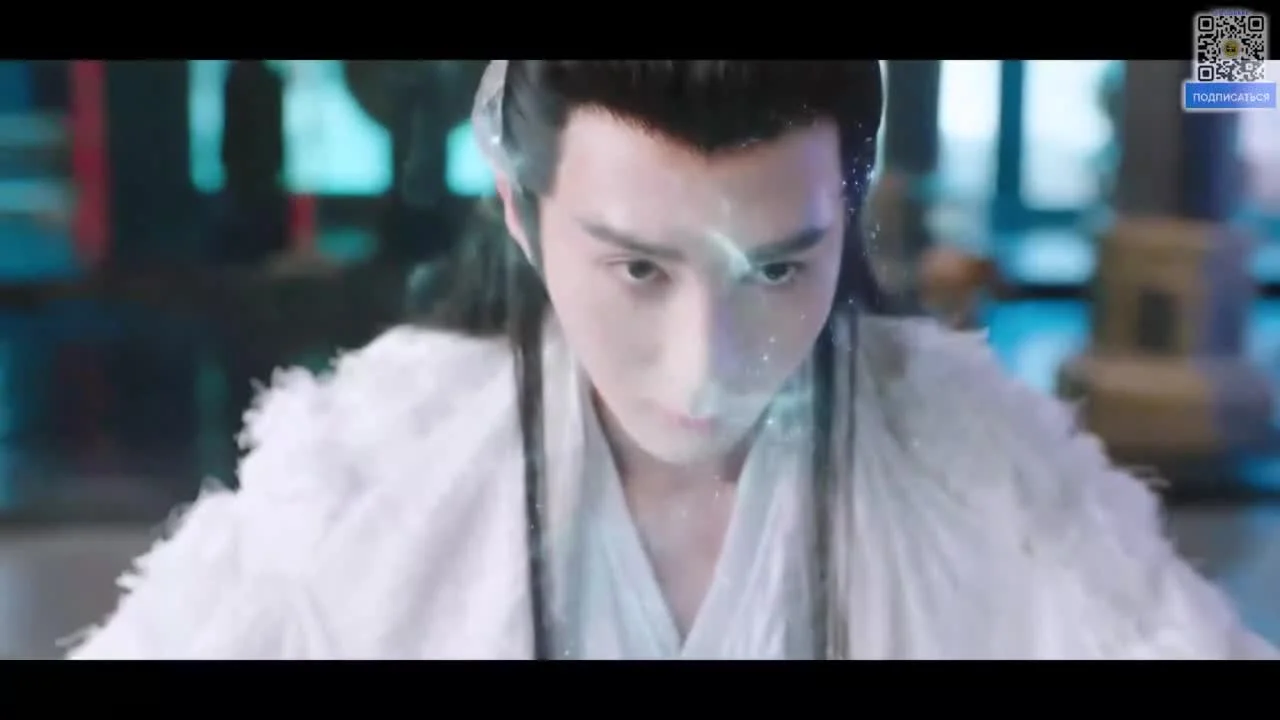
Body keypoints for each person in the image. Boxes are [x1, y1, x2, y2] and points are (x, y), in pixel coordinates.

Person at [66, 61, 1274, 659]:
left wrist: (1236, 94)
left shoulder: (991, 486)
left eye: (779, 267)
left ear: (849, 216)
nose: (707, 370)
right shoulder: (357, 491)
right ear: (519, 209)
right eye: (638, 269)